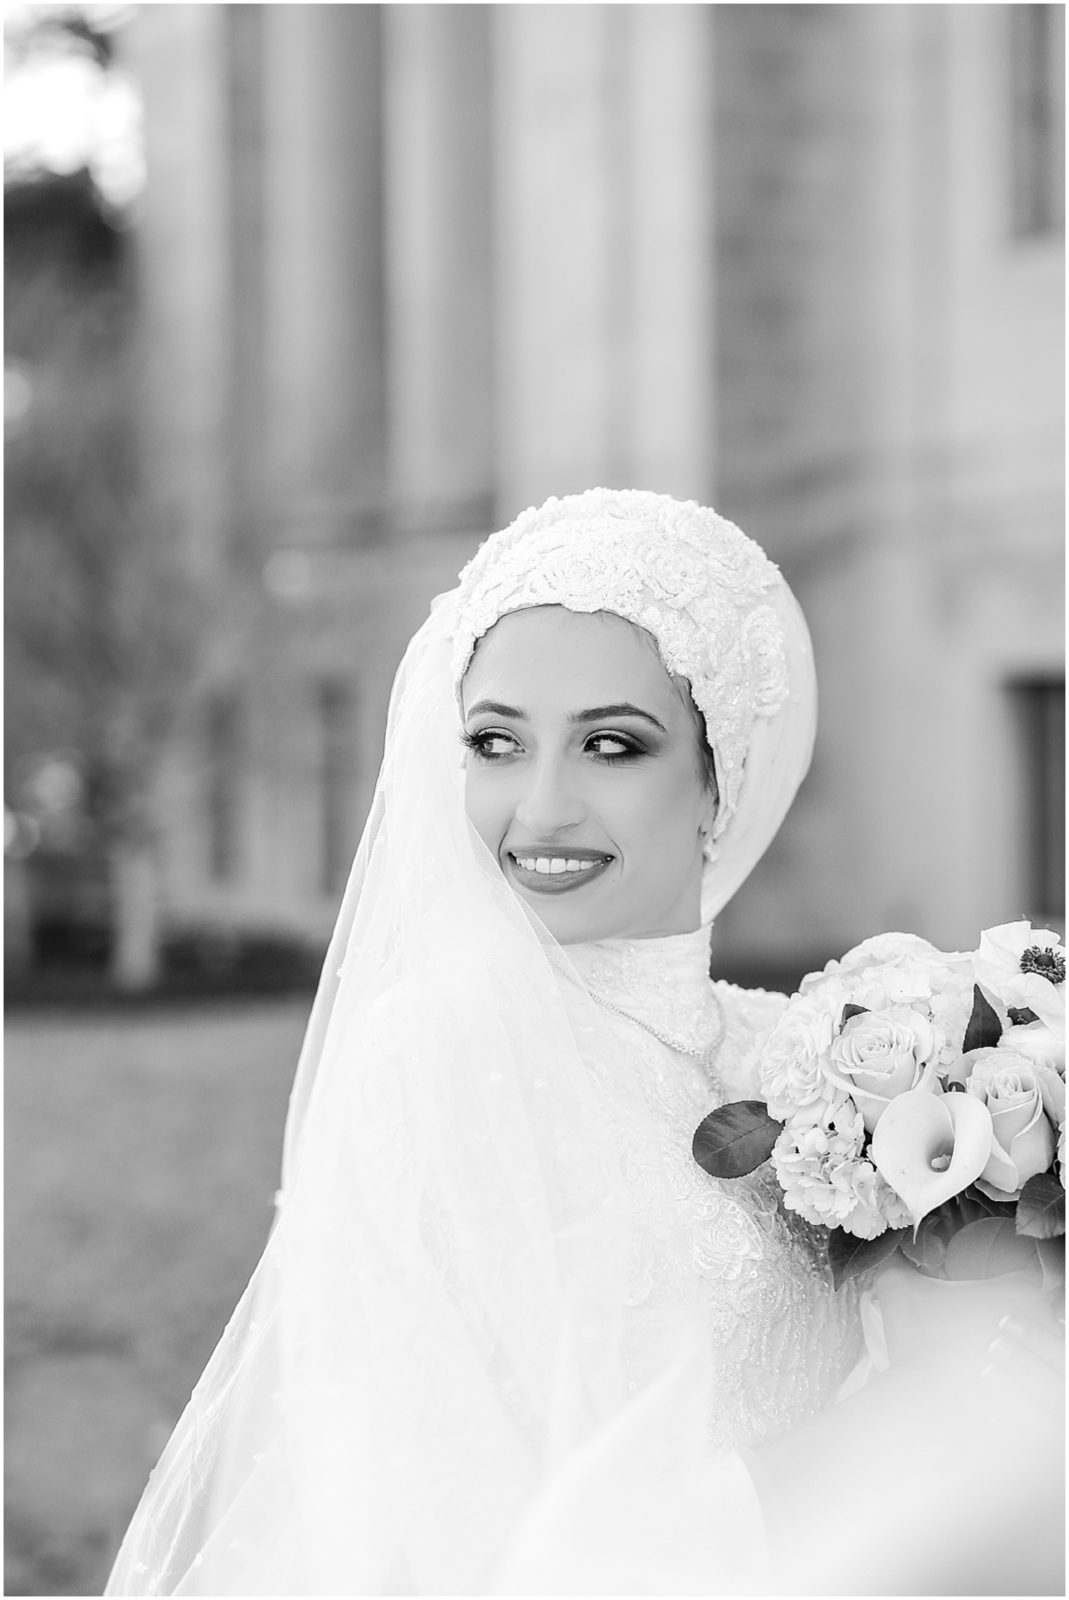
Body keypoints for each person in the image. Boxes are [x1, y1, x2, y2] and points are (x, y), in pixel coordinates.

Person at [106, 489, 1062, 1597]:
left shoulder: (807, 1055)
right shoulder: (436, 1060)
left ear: (717, 782)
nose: (541, 806)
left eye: (610, 744)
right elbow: (466, 1530)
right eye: (495, 744)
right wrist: (900, 1436)